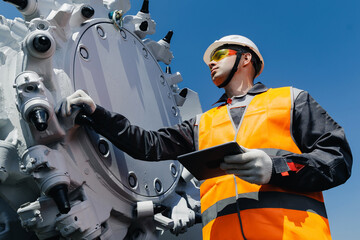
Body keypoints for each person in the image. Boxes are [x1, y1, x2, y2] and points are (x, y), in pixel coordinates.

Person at [57, 35, 352, 240]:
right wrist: (97, 114)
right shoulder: (202, 123)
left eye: (220, 55)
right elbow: (148, 144)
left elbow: (337, 159)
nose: (211, 63)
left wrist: (277, 167)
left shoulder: (292, 100)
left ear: (245, 58)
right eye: (209, 59)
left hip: (292, 235)